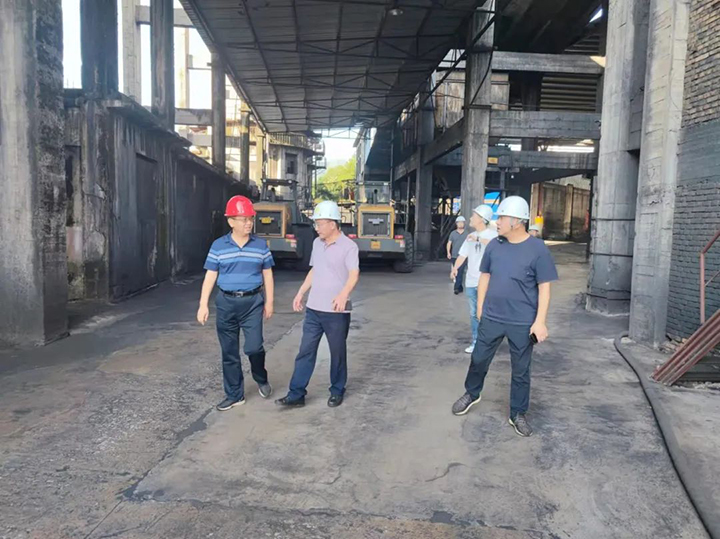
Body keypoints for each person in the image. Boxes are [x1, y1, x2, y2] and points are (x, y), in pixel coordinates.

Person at [451, 196, 558, 438]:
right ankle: (472, 393)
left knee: (521, 370)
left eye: (501, 217)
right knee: (479, 359)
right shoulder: (494, 246)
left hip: (522, 321)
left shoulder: (538, 249)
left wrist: (540, 321)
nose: (497, 222)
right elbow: (485, 276)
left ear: (517, 221)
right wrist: (480, 307)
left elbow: (544, 287)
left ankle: (517, 413)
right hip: (492, 316)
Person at [276, 200, 360, 409]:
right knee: (305, 351)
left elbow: (354, 274)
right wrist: (301, 292)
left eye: (320, 224)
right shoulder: (317, 243)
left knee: (337, 353)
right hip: (314, 309)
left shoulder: (349, 247)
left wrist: (343, 295)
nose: (316, 228)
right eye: (316, 224)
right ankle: (296, 394)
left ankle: (337, 390)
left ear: (332, 224)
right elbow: (315, 270)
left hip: (336, 311)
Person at [197, 195, 275, 411]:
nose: (248, 223)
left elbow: (267, 274)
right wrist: (203, 304)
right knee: (229, 352)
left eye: (250, 219)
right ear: (231, 221)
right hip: (226, 303)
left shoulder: (260, 245)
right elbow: (210, 275)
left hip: (253, 303)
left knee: (254, 347)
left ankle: (260, 377)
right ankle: (234, 394)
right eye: (244, 219)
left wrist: (269, 302)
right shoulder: (218, 246)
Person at [450, 205, 497, 354]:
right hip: (471, 281)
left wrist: (478, 239)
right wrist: (455, 268)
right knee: (473, 314)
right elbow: (463, 255)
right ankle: (477, 342)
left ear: (482, 219)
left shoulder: (493, 235)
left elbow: (496, 247)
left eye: (473, 216)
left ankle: (489, 342)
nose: (470, 218)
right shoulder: (469, 237)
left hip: (487, 282)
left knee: (487, 313)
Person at [447, 216, 470, 294]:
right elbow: (449, 243)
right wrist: (448, 252)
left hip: (463, 256)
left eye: (462, 222)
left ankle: (456, 288)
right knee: (456, 271)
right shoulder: (453, 233)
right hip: (454, 255)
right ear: (456, 224)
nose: (460, 224)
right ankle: (460, 287)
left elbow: (470, 244)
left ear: (464, 224)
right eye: (459, 222)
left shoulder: (467, 234)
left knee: (460, 271)